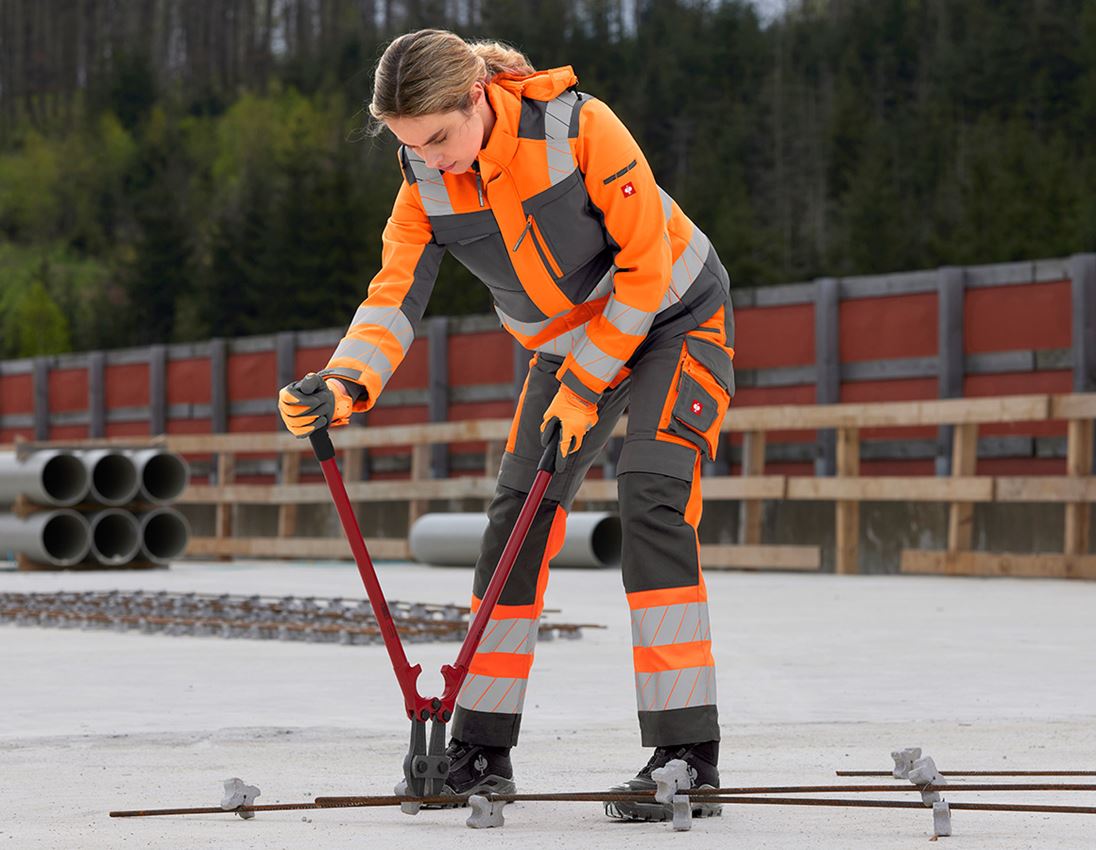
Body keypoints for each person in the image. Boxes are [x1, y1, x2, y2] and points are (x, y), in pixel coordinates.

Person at [277, 28, 735, 822]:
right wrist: (344, 384)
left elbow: (646, 267)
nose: (433, 158)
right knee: (514, 529)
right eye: (411, 144)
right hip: (567, 348)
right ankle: (482, 751)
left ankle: (686, 754)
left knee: (652, 502)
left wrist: (588, 382)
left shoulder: (578, 128)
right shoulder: (424, 177)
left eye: (440, 137)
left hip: (672, 319)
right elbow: (394, 293)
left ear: (477, 98)